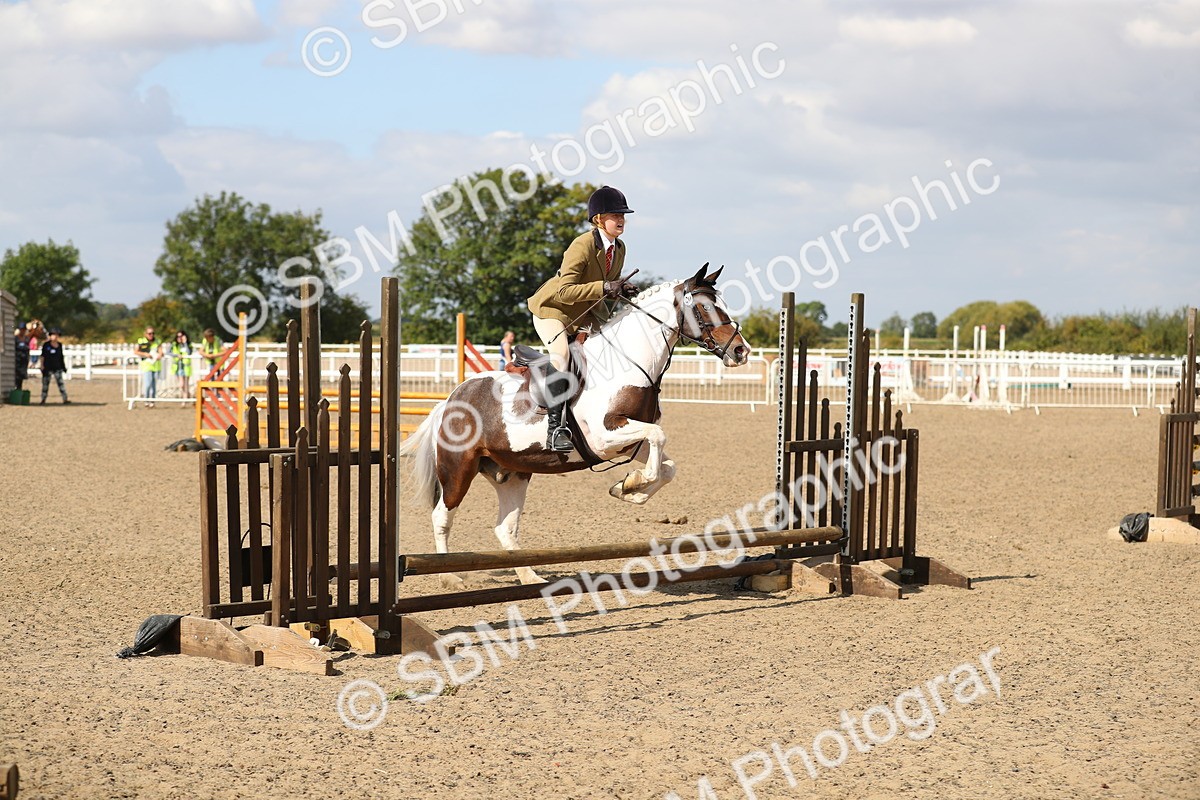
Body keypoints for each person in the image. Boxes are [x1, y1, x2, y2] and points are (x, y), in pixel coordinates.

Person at [526, 185, 639, 452]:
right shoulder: (583, 244)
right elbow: (566, 291)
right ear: (599, 219)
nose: (621, 219)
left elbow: (603, 291)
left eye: (623, 214)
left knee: (610, 354)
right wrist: (605, 287)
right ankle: (555, 430)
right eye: (615, 214)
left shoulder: (619, 248)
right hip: (554, 311)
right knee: (562, 356)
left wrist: (620, 291)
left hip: (586, 315)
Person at [39, 327, 69, 404]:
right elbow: (42, 356)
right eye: (53, 335)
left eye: (56, 335)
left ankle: (65, 398)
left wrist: (63, 367)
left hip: (57, 367)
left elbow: (61, 357)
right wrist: (42, 365)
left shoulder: (60, 345)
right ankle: (43, 399)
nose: (55, 337)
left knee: (60, 383)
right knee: (45, 384)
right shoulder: (46, 345)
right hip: (47, 367)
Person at [134, 326, 161, 408]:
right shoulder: (141, 341)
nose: (151, 335)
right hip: (146, 365)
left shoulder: (157, 341)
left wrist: (159, 355)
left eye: (153, 333)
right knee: (148, 384)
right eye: (149, 333)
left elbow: (160, 351)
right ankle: (146, 400)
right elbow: (136, 351)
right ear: (145, 334)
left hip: (155, 365)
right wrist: (145, 354)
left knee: (154, 385)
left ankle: (152, 401)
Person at [171, 330, 194, 398]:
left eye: (181, 336)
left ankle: (185, 399)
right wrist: (176, 355)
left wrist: (185, 343)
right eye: (178, 336)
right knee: (181, 384)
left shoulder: (188, 344)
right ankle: (185, 396)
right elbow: (168, 352)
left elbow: (189, 352)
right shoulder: (174, 344)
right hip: (178, 366)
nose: (179, 338)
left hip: (186, 366)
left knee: (186, 384)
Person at [14, 323, 30, 392]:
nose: (22, 331)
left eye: (24, 330)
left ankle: (19, 389)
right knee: (16, 377)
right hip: (17, 361)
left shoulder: (26, 339)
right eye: (21, 330)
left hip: (24, 361)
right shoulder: (15, 339)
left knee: (21, 377)